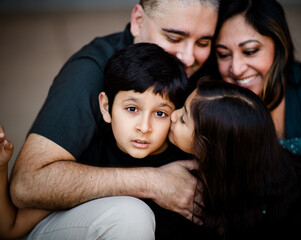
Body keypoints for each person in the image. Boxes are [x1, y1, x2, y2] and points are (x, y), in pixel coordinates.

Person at [9, 0, 218, 238]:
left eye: (203, 42)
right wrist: (153, 182)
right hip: (82, 223)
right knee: (131, 216)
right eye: (173, 37)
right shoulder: (92, 70)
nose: (189, 57)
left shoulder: (208, 72)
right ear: (138, 21)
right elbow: (26, 185)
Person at [206, 0, 301, 239]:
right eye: (223, 54)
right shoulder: (209, 98)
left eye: (250, 51)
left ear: (279, 47)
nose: (235, 68)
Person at [169, 78, 301, 239]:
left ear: (212, 148)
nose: (173, 115)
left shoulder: (247, 211)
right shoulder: (262, 149)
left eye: (184, 118)